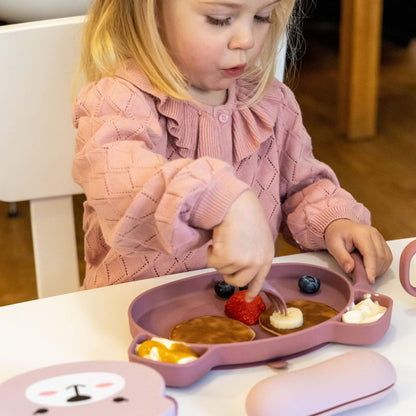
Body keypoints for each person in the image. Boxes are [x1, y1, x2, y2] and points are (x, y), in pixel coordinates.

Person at [72, 0, 392, 301]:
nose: (246, 39)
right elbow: (123, 193)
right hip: (129, 321)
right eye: (221, 19)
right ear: (151, 11)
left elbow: (301, 188)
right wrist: (222, 201)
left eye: (262, 16)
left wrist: (335, 222)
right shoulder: (115, 101)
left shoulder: (271, 102)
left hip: (240, 320)